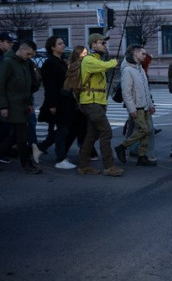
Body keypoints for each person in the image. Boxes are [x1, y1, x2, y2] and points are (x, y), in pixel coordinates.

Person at [77, 34, 123, 177]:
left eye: (104, 43)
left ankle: (83, 165)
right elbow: (105, 66)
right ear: (93, 44)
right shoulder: (89, 60)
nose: (104, 45)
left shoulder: (96, 60)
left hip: (96, 103)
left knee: (92, 135)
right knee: (106, 132)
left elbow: (100, 85)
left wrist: (104, 103)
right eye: (102, 43)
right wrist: (114, 62)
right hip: (91, 102)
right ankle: (108, 166)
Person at [0, 40, 40, 174]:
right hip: (12, 105)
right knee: (22, 136)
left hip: (22, 105)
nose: (30, 57)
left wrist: (29, 104)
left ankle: (25, 163)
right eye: (28, 54)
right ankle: (26, 164)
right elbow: (1, 85)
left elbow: (27, 86)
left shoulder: (25, 63)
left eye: (32, 55)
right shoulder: (8, 62)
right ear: (22, 49)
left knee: (15, 136)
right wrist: (3, 106)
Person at [38, 36, 77, 169]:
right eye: (60, 44)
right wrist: (52, 104)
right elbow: (50, 86)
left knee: (63, 130)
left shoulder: (60, 61)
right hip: (58, 102)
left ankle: (43, 149)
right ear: (52, 47)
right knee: (62, 131)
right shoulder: (50, 63)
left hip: (65, 102)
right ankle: (60, 159)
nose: (63, 45)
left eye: (63, 43)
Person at [114, 44, 156, 167]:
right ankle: (122, 147)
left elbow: (146, 89)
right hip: (137, 106)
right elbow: (126, 92)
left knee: (148, 131)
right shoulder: (128, 70)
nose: (145, 56)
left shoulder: (140, 68)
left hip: (145, 105)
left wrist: (151, 104)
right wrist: (131, 109)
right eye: (143, 53)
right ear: (135, 53)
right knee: (144, 129)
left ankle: (142, 156)